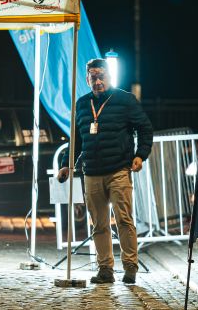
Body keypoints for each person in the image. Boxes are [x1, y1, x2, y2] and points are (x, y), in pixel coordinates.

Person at [56, 57, 152, 285]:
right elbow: (76, 139)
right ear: (87, 78)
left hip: (119, 170)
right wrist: (66, 164)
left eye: (101, 76)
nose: (97, 81)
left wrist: (140, 155)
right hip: (91, 172)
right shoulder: (82, 104)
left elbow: (145, 128)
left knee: (124, 220)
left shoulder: (125, 100)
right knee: (98, 224)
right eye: (93, 77)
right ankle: (105, 270)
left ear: (109, 76)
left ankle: (130, 267)